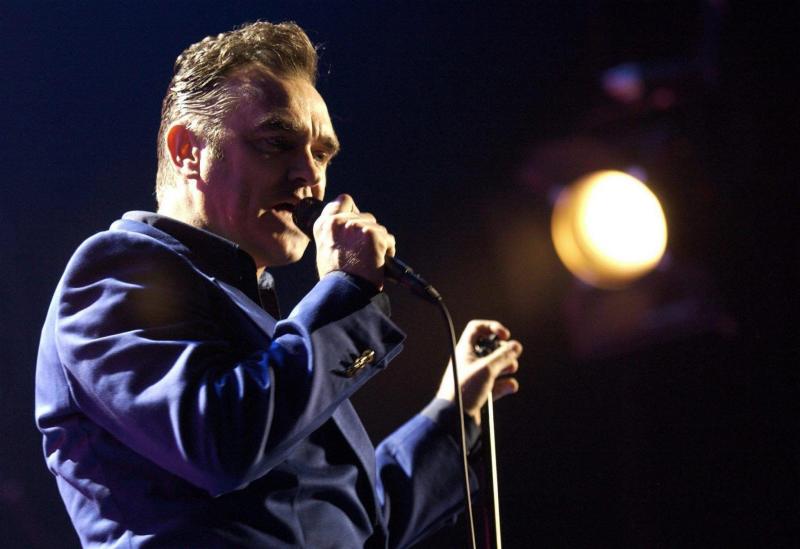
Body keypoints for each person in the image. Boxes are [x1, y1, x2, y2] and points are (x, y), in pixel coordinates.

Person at [35, 21, 522, 548]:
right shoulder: (116, 271)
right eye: (276, 143)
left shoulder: (266, 330)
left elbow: (351, 526)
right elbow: (221, 441)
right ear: (187, 150)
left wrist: (455, 411)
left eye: (322, 154)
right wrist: (347, 291)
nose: (310, 177)